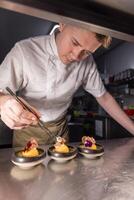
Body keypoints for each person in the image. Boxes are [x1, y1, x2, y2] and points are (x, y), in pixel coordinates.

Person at [0, 23, 134, 147]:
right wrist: (3, 101)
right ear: (62, 24)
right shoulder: (24, 51)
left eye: (87, 52)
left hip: (60, 131)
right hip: (27, 132)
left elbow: (103, 96)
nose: (77, 56)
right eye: (75, 42)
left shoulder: (88, 62)